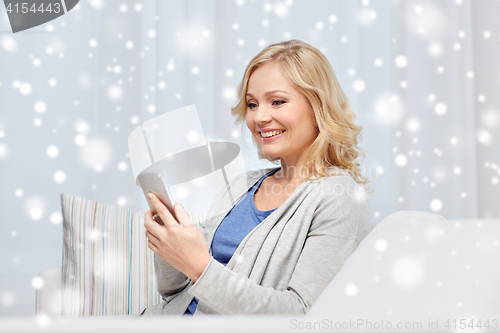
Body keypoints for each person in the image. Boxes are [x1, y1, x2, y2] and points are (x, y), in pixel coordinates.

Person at [141, 39, 373, 316]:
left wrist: (199, 266)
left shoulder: (340, 197)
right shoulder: (243, 184)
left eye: (277, 101)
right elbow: (174, 293)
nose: (260, 117)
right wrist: (170, 245)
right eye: (252, 104)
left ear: (318, 106)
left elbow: (301, 315)